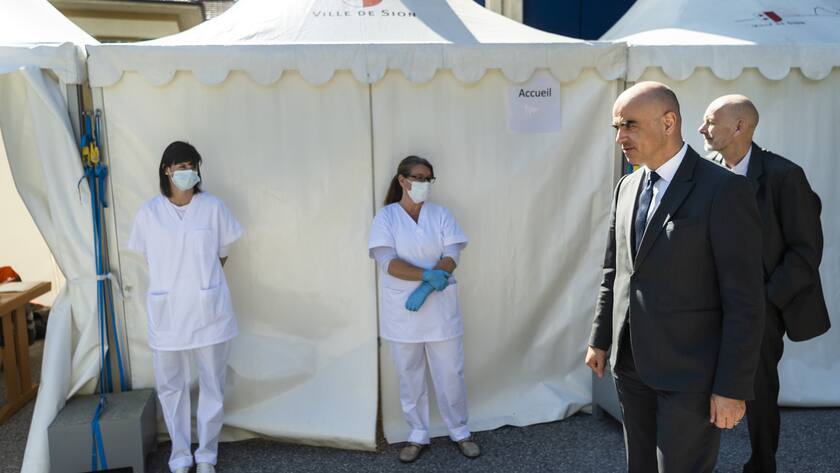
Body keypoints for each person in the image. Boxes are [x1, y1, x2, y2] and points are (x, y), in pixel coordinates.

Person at [585, 82, 765, 472]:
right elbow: (615, 271)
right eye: (616, 127)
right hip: (631, 364)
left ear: (668, 122)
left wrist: (731, 388)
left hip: (691, 374)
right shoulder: (627, 186)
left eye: (629, 125)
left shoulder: (725, 190)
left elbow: (745, 299)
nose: (620, 137)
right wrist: (601, 339)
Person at [699, 95, 831, 473]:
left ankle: (762, 463)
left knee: (758, 391)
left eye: (710, 121)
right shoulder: (707, 172)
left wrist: (766, 301)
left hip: (761, 306)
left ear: (740, 127)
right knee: (698, 380)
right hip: (710, 302)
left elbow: (806, 252)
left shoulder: (784, 175)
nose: (701, 129)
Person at [128, 141, 243, 473]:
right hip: (167, 314)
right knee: (171, 387)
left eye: (192, 166)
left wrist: (202, 282)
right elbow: (149, 257)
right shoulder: (149, 213)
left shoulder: (213, 207)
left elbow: (222, 253)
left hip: (209, 312)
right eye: (180, 167)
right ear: (167, 170)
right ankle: (179, 454)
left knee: (212, 385)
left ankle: (207, 454)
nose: (187, 172)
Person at [367, 155, 480, 463]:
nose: (424, 184)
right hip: (403, 313)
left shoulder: (440, 215)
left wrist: (431, 283)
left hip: (440, 310)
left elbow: (452, 252)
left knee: (450, 374)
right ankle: (417, 433)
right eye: (418, 177)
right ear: (403, 181)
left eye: (429, 178)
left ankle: (460, 431)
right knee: (409, 375)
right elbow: (387, 262)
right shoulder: (386, 218)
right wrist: (424, 276)